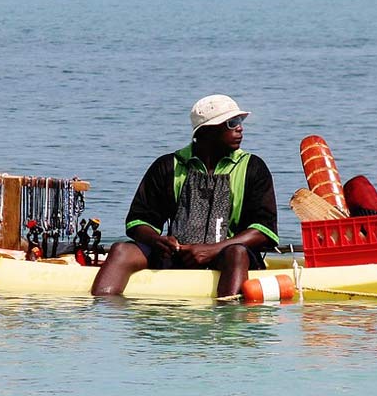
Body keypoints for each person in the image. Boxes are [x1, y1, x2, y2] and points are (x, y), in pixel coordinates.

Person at [91, 94, 279, 298]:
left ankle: (228, 321)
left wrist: (212, 250)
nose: (240, 128)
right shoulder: (168, 166)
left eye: (240, 121)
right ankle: (102, 313)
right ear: (207, 131)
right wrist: (157, 241)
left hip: (227, 254)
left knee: (237, 253)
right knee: (120, 249)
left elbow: (264, 229)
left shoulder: (253, 167)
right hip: (176, 255)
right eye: (231, 123)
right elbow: (138, 221)